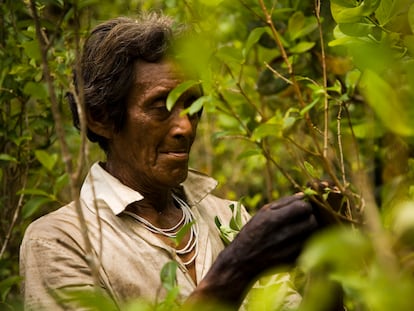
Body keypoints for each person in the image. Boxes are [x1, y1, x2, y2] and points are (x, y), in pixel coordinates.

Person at [20, 13, 324, 311]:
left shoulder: (230, 218)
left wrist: (329, 263)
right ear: (100, 118)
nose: (186, 127)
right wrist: (235, 270)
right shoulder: (59, 241)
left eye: (193, 105)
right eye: (160, 106)